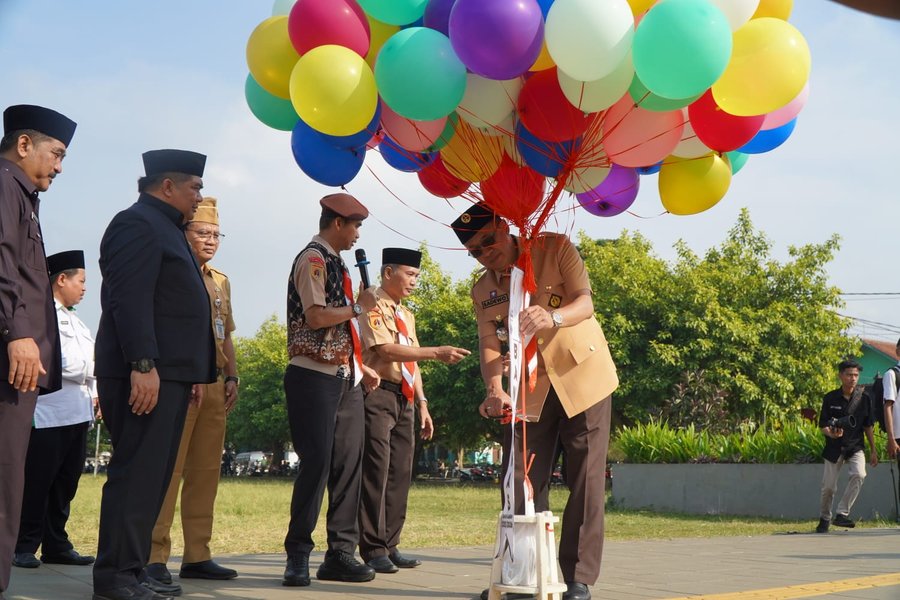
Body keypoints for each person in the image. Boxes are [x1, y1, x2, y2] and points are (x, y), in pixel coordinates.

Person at [451, 203, 618, 600]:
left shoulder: (555, 248)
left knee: (585, 480)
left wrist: (552, 318)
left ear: (504, 226)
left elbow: (585, 302)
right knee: (519, 481)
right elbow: (489, 342)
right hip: (529, 389)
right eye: (475, 251)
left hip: (584, 378)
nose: (485, 253)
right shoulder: (482, 289)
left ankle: (576, 577)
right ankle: (522, 572)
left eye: (488, 241)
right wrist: (494, 388)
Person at [92, 149, 216, 600]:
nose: (199, 196)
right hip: (144, 374)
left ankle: (134, 568)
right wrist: (142, 364)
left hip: (171, 376)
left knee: (154, 480)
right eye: (194, 187)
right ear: (167, 186)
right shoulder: (137, 223)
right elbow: (130, 299)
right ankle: (114, 580)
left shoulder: (167, 228)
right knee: (136, 475)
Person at [282, 193, 380, 588]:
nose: (357, 234)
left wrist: (360, 366)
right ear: (336, 223)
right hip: (313, 376)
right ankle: (298, 555)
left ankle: (341, 552)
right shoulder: (314, 259)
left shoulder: (337, 263)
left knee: (348, 466)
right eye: (354, 225)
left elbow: (341, 328)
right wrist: (359, 308)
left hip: (344, 376)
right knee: (318, 464)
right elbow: (318, 316)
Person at [0, 104, 75, 600]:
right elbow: (4, 260)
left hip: (18, 362)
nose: (60, 167)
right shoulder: (5, 185)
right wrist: (16, 333)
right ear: (24, 145)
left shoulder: (23, 194)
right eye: (56, 153)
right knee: (5, 481)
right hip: (10, 354)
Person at [357, 247, 470, 574]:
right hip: (376, 394)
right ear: (388, 272)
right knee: (376, 472)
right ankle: (373, 547)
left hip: (404, 398)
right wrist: (436, 352)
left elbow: (411, 360)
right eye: (410, 274)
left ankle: (391, 544)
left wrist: (423, 403)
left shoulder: (407, 315)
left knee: (400, 474)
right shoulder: (371, 302)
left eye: (417, 276)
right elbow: (385, 349)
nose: (415, 281)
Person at [146, 197, 239, 585]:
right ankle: (153, 555)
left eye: (217, 234)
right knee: (170, 471)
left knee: (206, 472)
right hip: (184, 384)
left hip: (215, 384)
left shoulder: (220, 280)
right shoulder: (173, 271)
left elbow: (227, 334)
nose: (211, 240)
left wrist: (232, 375)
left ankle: (197, 554)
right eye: (203, 232)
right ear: (184, 232)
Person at [13, 251, 96, 570]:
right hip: (49, 411)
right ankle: (23, 544)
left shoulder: (76, 320)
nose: (85, 288)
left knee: (66, 482)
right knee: (38, 481)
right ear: (61, 279)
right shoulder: (41, 316)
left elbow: (91, 364)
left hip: (78, 410)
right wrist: (85, 372)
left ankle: (56, 543)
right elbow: (56, 364)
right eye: (81, 281)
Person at [815, 359, 878, 533]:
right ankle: (824, 518)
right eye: (849, 374)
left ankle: (842, 513)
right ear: (840, 376)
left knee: (860, 473)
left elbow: (868, 426)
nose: (853, 378)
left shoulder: (864, 398)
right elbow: (823, 425)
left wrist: (873, 450)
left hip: (855, 446)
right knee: (828, 487)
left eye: (856, 375)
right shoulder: (830, 398)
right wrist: (831, 433)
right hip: (834, 447)